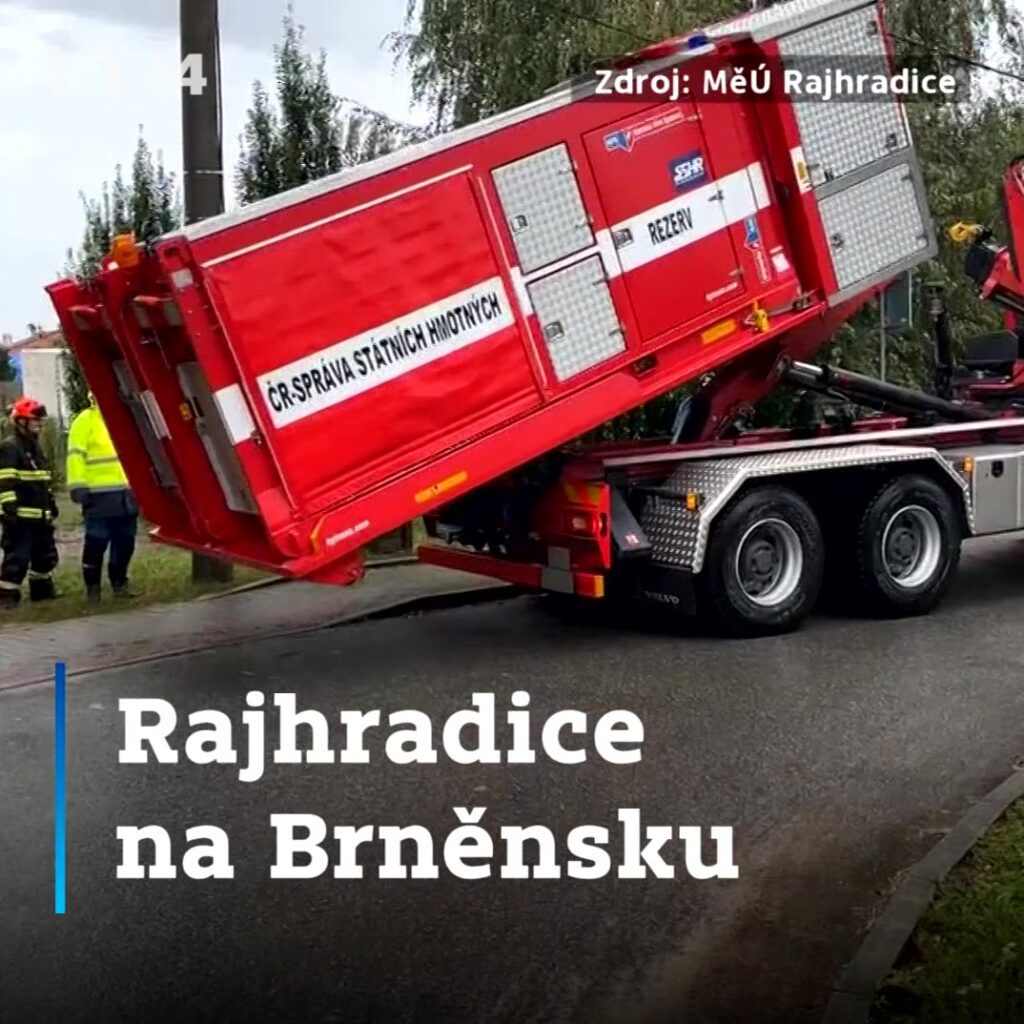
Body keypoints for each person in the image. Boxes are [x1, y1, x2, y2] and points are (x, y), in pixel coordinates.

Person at [66, 393, 139, 603]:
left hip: (126, 495)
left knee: (125, 543)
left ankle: (119, 584)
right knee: (96, 543)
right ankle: (93, 590)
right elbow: (75, 455)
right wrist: (78, 486)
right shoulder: (85, 420)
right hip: (98, 496)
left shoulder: (123, 418)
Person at [0, 397, 60, 609]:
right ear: (21, 421)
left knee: (45, 556)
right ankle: (6, 597)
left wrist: (50, 502)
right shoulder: (10, 447)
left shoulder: (34, 447)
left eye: (41, 420)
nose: (40, 424)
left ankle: (42, 592)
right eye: (35, 420)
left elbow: (42, 479)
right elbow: (4, 482)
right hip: (20, 517)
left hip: (40, 515)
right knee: (17, 559)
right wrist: (9, 509)